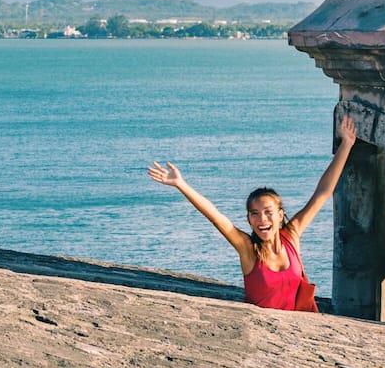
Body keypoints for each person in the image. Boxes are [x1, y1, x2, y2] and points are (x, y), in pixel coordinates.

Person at [147, 115, 356, 311]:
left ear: (280, 215)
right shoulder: (248, 249)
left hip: (301, 326)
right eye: (254, 213)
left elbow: (322, 192)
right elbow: (216, 217)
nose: (262, 219)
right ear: (248, 219)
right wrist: (181, 184)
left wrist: (346, 144)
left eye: (268, 212)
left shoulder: (291, 236)